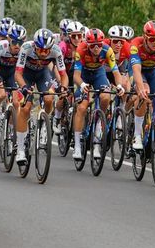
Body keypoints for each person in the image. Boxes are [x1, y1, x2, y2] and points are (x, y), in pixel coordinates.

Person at [13, 28, 68, 166]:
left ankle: (44, 123)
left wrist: (63, 88)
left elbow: (64, 75)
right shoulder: (26, 48)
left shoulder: (56, 50)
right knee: (25, 108)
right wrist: (24, 87)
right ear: (34, 46)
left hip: (42, 74)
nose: (43, 53)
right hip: (26, 75)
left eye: (46, 51)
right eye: (40, 50)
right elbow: (17, 74)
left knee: (49, 98)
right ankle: (20, 149)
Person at [71, 28, 124, 161]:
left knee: (105, 96)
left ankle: (99, 122)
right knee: (82, 108)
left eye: (99, 45)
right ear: (88, 44)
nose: (96, 48)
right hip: (83, 75)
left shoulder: (107, 50)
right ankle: (77, 145)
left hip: (98, 74)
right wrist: (82, 85)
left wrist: (119, 86)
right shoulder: (81, 49)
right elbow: (76, 75)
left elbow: (116, 72)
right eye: (93, 45)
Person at [128, 20, 155, 155]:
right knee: (145, 92)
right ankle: (137, 136)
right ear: (145, 37)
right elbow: (136, 70)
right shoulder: (135, 45)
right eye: (152, 39)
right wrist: (141, 88)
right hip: (139, 72)